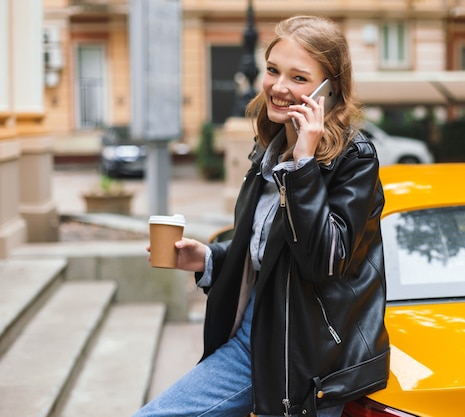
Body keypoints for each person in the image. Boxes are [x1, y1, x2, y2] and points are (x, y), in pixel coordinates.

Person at [134, 15, 389, 417]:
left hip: (306, 352)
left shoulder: (354, 159)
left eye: (299, 78)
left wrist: (304, 164)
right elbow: (268, 246)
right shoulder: (268, 148)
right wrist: (210, 258)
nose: (278, 86)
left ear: (329, 90)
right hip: (258, 331)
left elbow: (324, 261)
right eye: (272, 70)